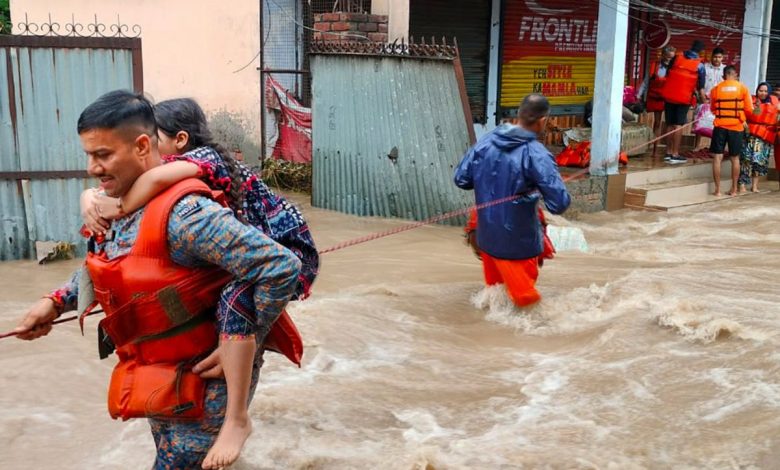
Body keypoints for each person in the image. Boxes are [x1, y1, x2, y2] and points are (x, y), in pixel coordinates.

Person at [14, 90, 302, 469]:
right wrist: (54, 302)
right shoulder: (115, 206)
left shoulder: (187, 215)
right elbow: (108, 266)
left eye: (103, 155)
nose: (93, 168)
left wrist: (245, 338)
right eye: (89, 155)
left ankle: (237, 421)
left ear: (142, 146)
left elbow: (280, 266)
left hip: (205, 385)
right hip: (158, 376)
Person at [453, 93, 571, 308]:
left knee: (495, 301)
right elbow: (559, 203)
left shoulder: (486, 141)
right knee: (526, 306)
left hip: (486, 239)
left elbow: (461, 179)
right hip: (518, 245)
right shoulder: (536, 153)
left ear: (519, 114)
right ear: (543, 120)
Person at [709, 65, 754, 196]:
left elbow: (713, 109)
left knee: (717, 157)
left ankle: (717, 190)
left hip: (720, 126)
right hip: (736, 127)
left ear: (723, 75)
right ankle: (734, 189)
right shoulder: (742, 88)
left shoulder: (715, 89)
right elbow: (749, 110)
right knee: (735, 158)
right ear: (735, 75)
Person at [661, 39, 707, 164]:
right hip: (683, 98)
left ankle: (668, 152)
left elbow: (667, 74)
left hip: (669, 95)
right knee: (678, 125)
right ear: (700, 51)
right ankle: (675, 154)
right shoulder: (700, 65)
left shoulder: (676, 58)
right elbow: (701, 88)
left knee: (669, 124)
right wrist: (705, 103)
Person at [740, 82, 779, 193]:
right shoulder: (751, 101)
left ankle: (754, 186)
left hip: (765, 137)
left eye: (766, 91)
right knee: (746, 160)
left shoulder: (775, 103)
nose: (763, 93)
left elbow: (777, 119)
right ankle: (742, 185)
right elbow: (746, 114)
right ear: (757, 91)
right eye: (761, 90)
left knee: (758, 162)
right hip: (751, 136)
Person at [639, 45, 676, 139]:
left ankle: (669, 146)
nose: (670, 59)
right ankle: (654, 145)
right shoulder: (655, 66)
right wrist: (639, 95)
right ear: (663, 55)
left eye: (672, 57)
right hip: (657, 98)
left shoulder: (675, 67)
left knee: (670, 124)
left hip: (670, 99)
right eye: (668, 57)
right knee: (657, 123)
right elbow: (646, 81)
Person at [695, 47, 727, 150]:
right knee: (700, 122)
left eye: (719, 57)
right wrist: (702, 97)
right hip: (704, 100)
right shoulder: (704, 67)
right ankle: (697, 146)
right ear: (711, 56)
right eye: (715, 57)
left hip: (718, 102)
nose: (717, 59)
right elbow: (698, 84)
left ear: (722, 58)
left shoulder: (725, 69)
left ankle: (713, 147)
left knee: (716, 124)